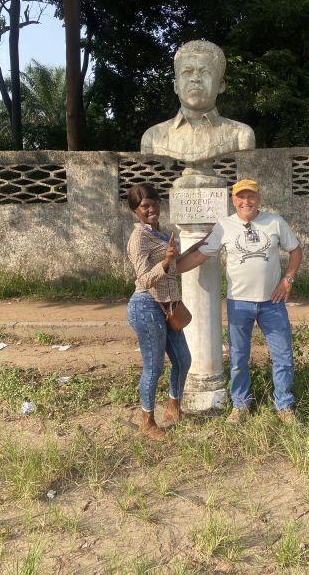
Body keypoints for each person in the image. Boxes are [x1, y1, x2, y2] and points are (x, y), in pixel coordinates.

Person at [177, 179, 303, 423]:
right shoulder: (224, 226)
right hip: (239, 303)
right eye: (241, 197)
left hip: (272, 302)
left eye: (251, 196)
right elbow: (200, 256)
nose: (247, 201)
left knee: (283, 355)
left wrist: (288, 279)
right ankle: (241, 405)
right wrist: (169, 270)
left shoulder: (275, 222)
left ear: (259, 198)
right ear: (233, 200)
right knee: (238, 359)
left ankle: (284, 405)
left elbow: (295, 250)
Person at [126, 183, 191, 440]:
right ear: (135, 210)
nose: (151, 209)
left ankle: (174, 409)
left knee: (183, 360)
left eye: (154, 203)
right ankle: (147, 421)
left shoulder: (160, 233)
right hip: (146, 305)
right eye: (145, 206)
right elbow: (143, 280)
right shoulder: (139, 238)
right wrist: (165, 261)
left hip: (166, 305)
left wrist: (205, 248)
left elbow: (177, 268)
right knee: (154, 367)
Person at [141, 40, 255, 165]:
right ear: (176, 86)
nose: (195, 79)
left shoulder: (241, 134)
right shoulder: (152, 137)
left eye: (205, 72)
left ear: (221, 85)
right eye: (187, 72)